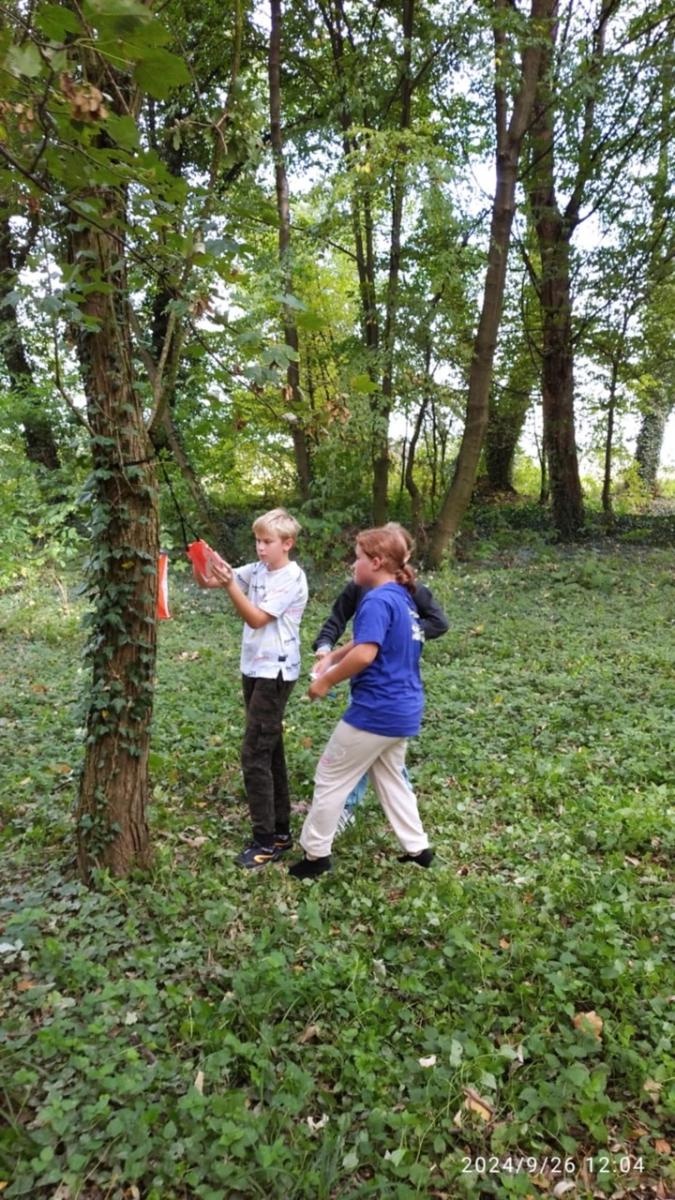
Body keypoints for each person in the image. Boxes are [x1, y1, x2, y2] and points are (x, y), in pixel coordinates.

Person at [289, 526, 433, 879]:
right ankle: (419, 850)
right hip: (405, 708)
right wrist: (333, 656)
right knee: (391, 778)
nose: (353, 565)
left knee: (330, 777)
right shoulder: (400, 596)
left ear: (377, 561)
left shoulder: (375, 600)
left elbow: (366, 653)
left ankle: (315, 855)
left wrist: (325, 681)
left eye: (357, 558)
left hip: (376, 711)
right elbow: (364, 642)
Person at [312, 522, 448, 830]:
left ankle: (339, 823)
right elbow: (336, 621)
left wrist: (401, 636)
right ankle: (412, 840)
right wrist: (326, 651)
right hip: (368, 683)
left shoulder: (409, 592)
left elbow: (439, 623)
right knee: (374, 750)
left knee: (369, 747)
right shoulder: (360, 586)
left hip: (391, 686)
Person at [208, 508, 308, 869]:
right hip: (253, 668)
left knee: (253, 754)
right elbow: (210, 579)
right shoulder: (259, 570)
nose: (260, 548)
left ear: (287, 543)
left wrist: (230, 584)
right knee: (269, 750)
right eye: (258, 541)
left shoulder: (290, 578)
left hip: (275, 672)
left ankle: (266, 840)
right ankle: (280, 831)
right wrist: (204, 559)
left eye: (267, 542)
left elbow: (255, 617)